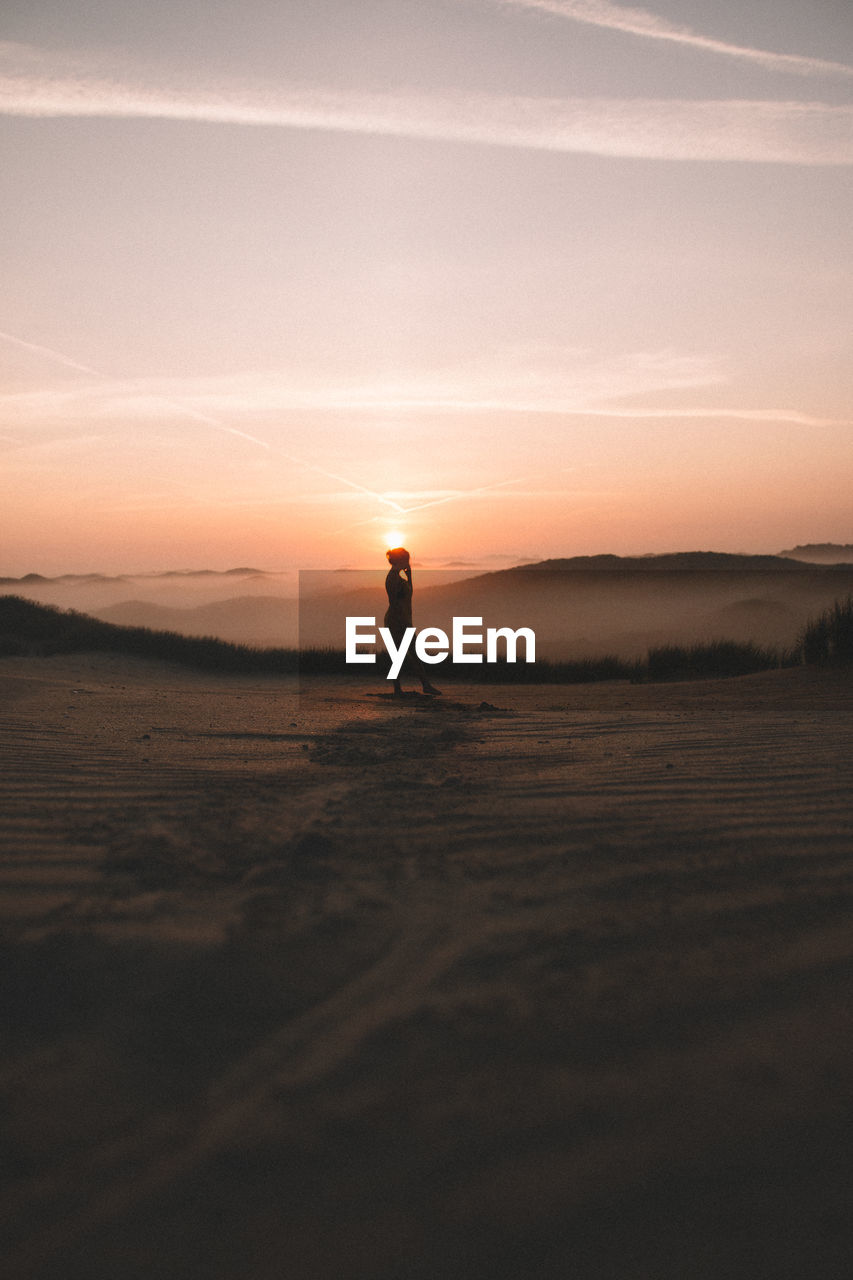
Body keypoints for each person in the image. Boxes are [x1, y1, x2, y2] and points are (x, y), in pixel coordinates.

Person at [384, 547, 441, 696]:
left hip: (404, 620)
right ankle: (423, 685)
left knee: (407, 654)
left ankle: (404, 688)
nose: (408, 563)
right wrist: (402, 624)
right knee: (404, 654)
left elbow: (409, 594)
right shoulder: (392, 578)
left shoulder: (399, 577)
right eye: (407, 560)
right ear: (400, 560)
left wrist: (410, 575)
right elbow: (394, 602)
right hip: (397, 621)